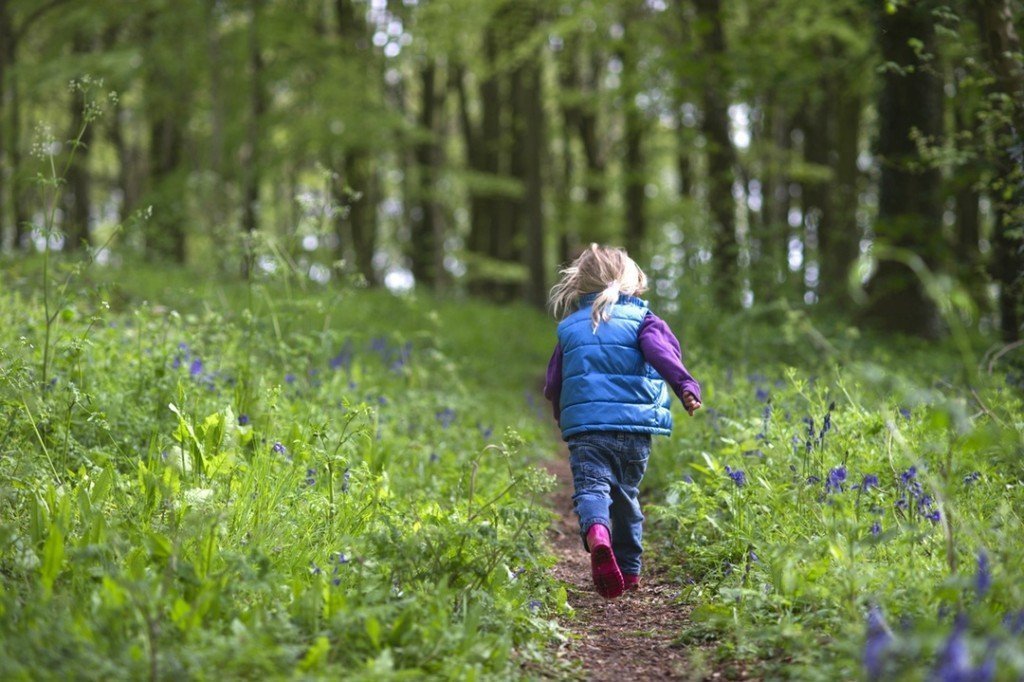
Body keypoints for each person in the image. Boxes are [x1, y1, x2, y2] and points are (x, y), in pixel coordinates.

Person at [543, 244, 702, 599]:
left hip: (587, 430)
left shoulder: (569, 329)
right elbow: (664, 357)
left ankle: (598, 533)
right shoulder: (644, 320)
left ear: (580, 284)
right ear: (631, 282)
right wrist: (686, 387)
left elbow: (554, 383)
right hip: (634, 429)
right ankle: (629, 572)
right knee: (626, 497)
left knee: (591, 489)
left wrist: (562, 415)